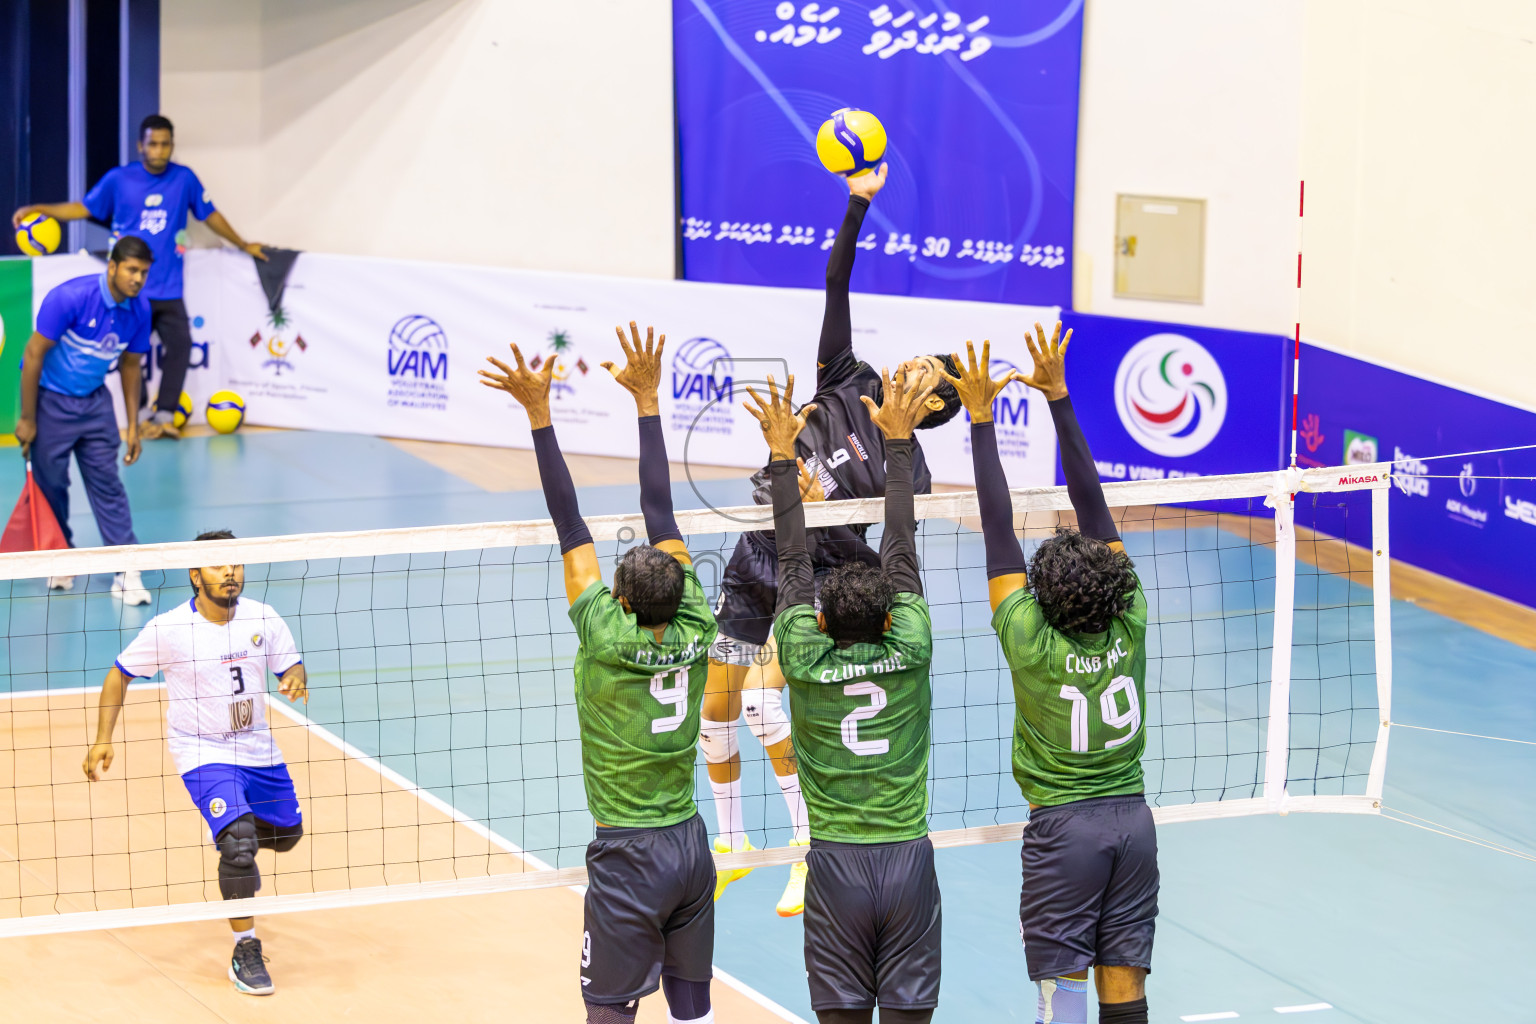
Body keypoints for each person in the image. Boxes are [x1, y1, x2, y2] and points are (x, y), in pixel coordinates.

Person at [703, 163, 963, 917]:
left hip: (808, 576)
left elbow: (884, 540)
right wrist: (857, 204)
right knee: (713, 714)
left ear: (932, 403)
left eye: (930, 375)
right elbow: (836, 282)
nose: (915, 365)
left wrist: (817, 510)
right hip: (755, 552)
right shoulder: (849, 375)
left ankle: (805, 849)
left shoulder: (905, 457)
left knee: (760, 707)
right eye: (918, 359)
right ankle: (731, 847)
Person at [479, 322, 717, 1024]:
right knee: (691, 1004)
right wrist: (649, 401)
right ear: (679, 587)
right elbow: (660, 510)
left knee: (608, 1007)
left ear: (619, 598)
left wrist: (540, 416)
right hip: (689, 843)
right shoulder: (698, 622)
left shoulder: (603, 630)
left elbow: (568, 521)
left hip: (628, 851)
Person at [943, 326, 1156, 1024]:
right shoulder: (1131, 621)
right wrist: (1060, 398)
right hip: (1133, 823)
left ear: (1045, 597)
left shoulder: (1030, 640)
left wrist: (980, 421)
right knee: (1124, 989)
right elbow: (1095, 507)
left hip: (1064, 833)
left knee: (1061, 998)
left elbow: (996, 527)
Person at [746, 371, 941, 1024]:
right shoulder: (911, 645)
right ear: (892, 618)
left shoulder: (802, 653)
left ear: (821, 624)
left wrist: (783, 462)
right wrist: (900, 446)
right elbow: (900, 547)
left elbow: (795, 570)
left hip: (833, 870)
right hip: (908, 864)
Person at [82, 530, 310, 996]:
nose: (230, 573)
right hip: (201, 751)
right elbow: (119, 674)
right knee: (239, 846)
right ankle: (244, 947)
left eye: (236, 564)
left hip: (258, 749)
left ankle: (233, 832)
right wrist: (102, 739)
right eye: (217, 566)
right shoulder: (169, 629)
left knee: (286, 836)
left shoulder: (262, 617)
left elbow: (291, 665)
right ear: (195, 575)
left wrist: (294, 678)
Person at [12, 113, 268, 440]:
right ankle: (144, 413)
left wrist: (243, 244)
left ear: (172, 146)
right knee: (127, 354)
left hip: (168, 286)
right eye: (153, 144)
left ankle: (164, 416)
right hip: (127, 294)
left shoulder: (185, 179)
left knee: (181, 345)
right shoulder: (119, 179)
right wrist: (43, 209)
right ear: (140, 146)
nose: (159, 150)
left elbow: (210, 215)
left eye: (165, 144)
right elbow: (83, 208)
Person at [16, 235, 154, 602]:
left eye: (143, 272)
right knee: (52, 486)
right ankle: (59, 555)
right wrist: (28, 418)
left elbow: (130, 365)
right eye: (131, 269)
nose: (138, 279)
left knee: (107, 483)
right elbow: (32, 356)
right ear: (112, 266)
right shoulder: (70, 298)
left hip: (95, 404)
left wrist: (133, 426)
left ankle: (126, 566)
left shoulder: (140, 309)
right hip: (51, 402)